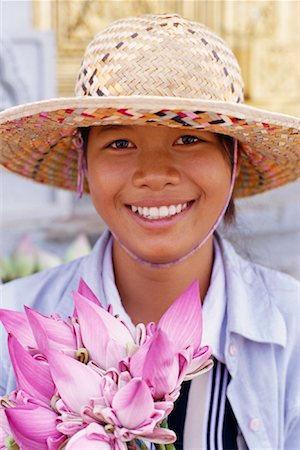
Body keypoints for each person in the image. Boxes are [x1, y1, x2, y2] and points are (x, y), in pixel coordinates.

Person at [0, 13, 299, 450]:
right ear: (85, 165)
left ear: (233, 161)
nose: (154, 175)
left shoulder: (293, 329)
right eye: (120, 143)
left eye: (189, 139)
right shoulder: (12, 326)